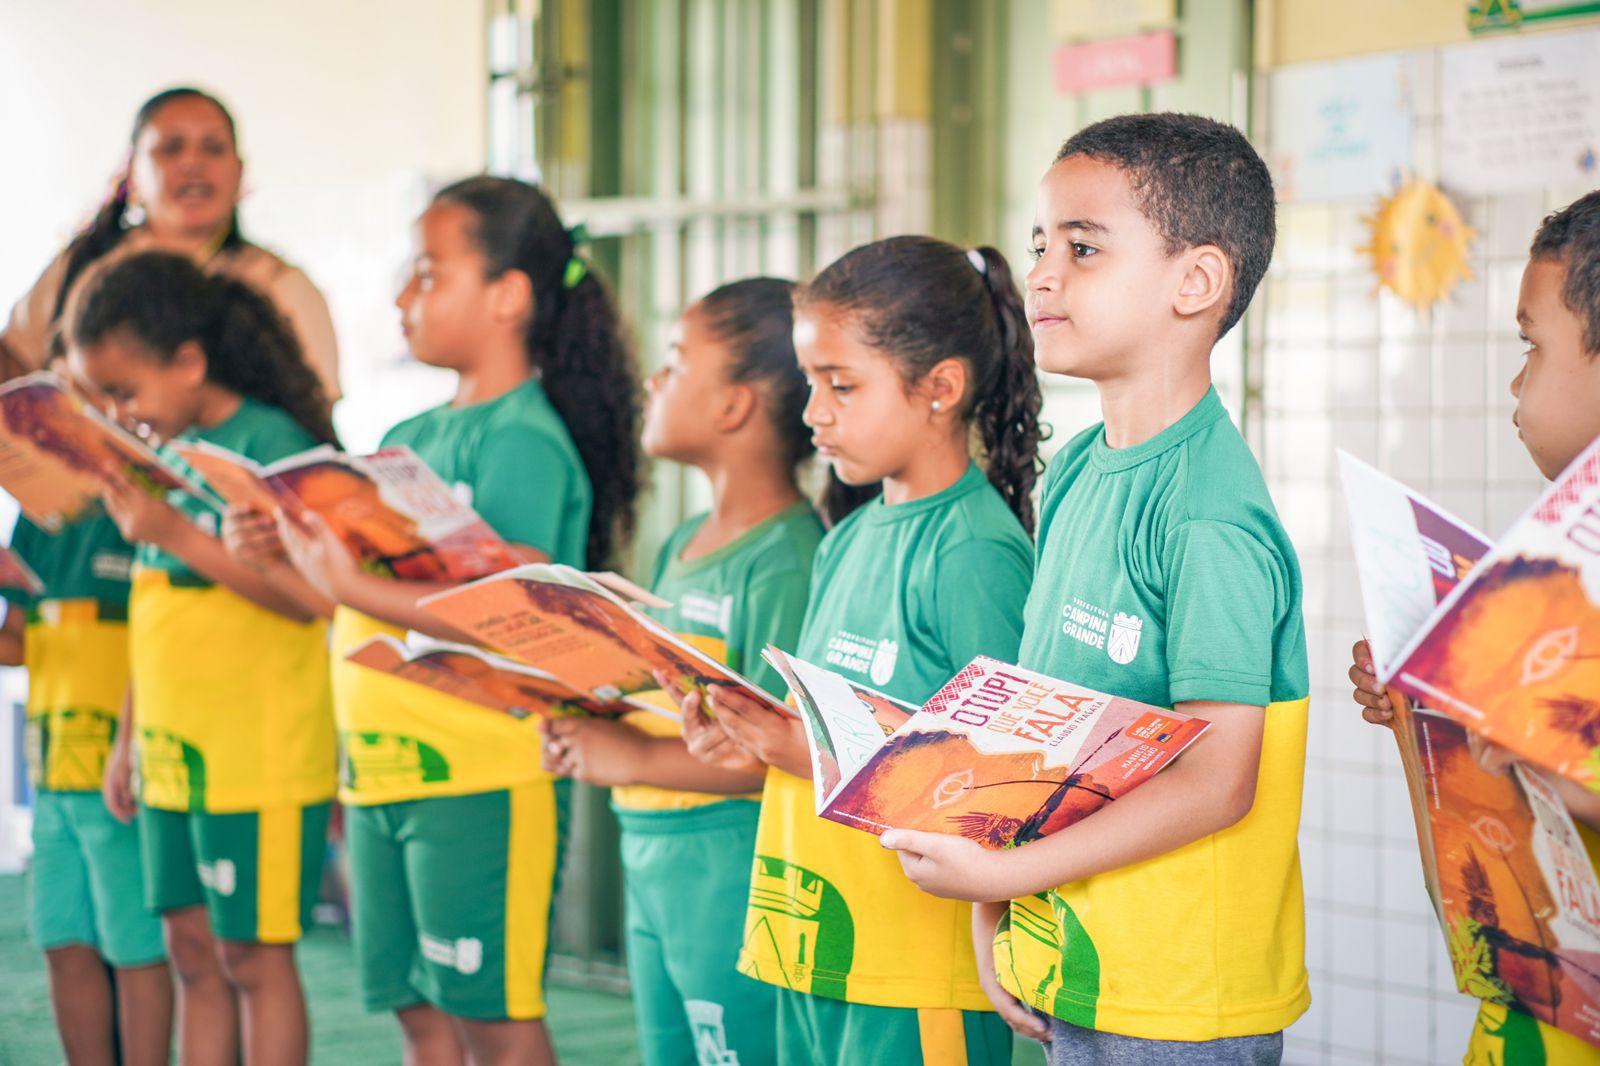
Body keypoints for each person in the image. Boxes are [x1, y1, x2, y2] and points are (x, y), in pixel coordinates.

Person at [881, 114, 1310, 1065]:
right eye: (1040, 244)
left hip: (1177, 1000)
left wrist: (1005, 874)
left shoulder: (1206, 515)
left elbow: (1218, 784)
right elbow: (1032, 722)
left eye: (1082, 248)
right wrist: (997, 907)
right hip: (1069, 955)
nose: (1041, 275)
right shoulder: (1076, 469)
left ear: (1196, 283)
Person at [259, 175, 640, 1066]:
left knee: (492, 1020)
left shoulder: (524, 440)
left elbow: (513, 616)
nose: (404, 295)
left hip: (479, 772)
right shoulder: (414, 436)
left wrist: (350, 586)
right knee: (419, 1016)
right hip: (381, 768)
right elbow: (362, 588)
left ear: (508, 297)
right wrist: (280, 547)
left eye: (429, 273)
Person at [687, 235, 1043, 1065]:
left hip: (910, 965)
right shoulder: (846, 538)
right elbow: (831, 730)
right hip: (812, 938)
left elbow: (1001, 784)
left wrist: (799, 751)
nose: (813, 413)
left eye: (841, 385)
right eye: (810, 383)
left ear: (941, 388)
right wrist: (748, 735)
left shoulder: (974, 552)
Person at [66, 250, 339, 1066]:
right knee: (190, 952)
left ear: (189, 362)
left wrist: (177, 533)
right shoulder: (168, 453)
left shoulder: (269, 443)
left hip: (257, 757)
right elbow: (156, 611)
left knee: (253, 958)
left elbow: (310, 600)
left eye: (124, 392)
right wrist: (127, 739)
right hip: (171, 755)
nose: (119, 415)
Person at [542, 277, 823, 1066]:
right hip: (650, 852)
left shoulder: (787, 560)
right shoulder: (683, 540)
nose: (652, 381)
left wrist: (629, 756)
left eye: (673, 360)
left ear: (735, 404)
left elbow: (781, 752)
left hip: (727, 867)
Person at [1348, 189, 1600, 1065]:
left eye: (1533, 346)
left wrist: (1574, 781)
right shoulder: (1554, 606)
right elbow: (1478, 913)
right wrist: (1426, 721)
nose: (1516, 382)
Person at [0, 341, 173, 1066]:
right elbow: (16, 643)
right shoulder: (35, 514)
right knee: (62, 940)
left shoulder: (144, 500)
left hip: (121, 770)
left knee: (135, 947)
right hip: (51, 771)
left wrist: (129, 745)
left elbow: (161, 636)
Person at [2, 86, 340, 400]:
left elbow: (310, 420)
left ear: (239, 172)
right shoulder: (80, 265)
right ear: (132, 172)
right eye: (171, 148)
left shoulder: (281, 285)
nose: (193, 163)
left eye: (213, 148)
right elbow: (13, 366)